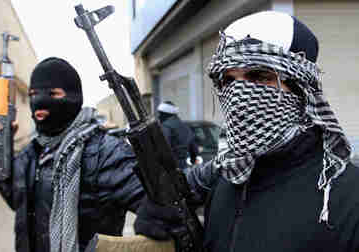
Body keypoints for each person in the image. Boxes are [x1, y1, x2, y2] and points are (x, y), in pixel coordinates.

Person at [134, 11, 359, 251]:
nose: (239, 95)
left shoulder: (348, 197)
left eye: (259, 76)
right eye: (228, 80)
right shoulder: (225, 181)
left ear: (301, 90)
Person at [0, 57, 144, 252]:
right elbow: (16, 200)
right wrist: (0, 146)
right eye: (33, 94)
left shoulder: (107, 152)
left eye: (53, 94)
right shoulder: (32, 152)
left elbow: (161, 208)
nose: (39, 101)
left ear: (74, 97)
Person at [157, 101, 199, 169]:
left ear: (166, 114)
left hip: (170, 169)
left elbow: (165, 148)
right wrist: (193, 159)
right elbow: (194, 148)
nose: (158, 116)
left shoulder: (165, 127)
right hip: (184, 166)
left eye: (160, 113)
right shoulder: (184, 126)